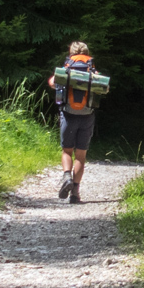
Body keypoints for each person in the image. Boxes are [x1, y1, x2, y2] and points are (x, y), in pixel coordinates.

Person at [47, 41, 99, 203]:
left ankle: (67, 177)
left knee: (67, 151)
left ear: (71, 52)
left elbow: (52, 83)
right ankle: (75, 193)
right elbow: (103, 88)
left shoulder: (67, 66)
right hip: (87, 115)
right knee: (81, 155)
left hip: (68, 114)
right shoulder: (91, 69)